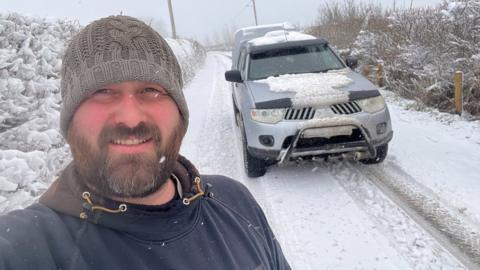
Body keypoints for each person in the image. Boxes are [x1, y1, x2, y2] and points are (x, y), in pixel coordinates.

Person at [0, 15, 290, 270]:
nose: (129, 118)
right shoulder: (24, 247)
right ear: (69, 119)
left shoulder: (236, 201)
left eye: (151, 90)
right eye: (102, 91)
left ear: (179, 112)